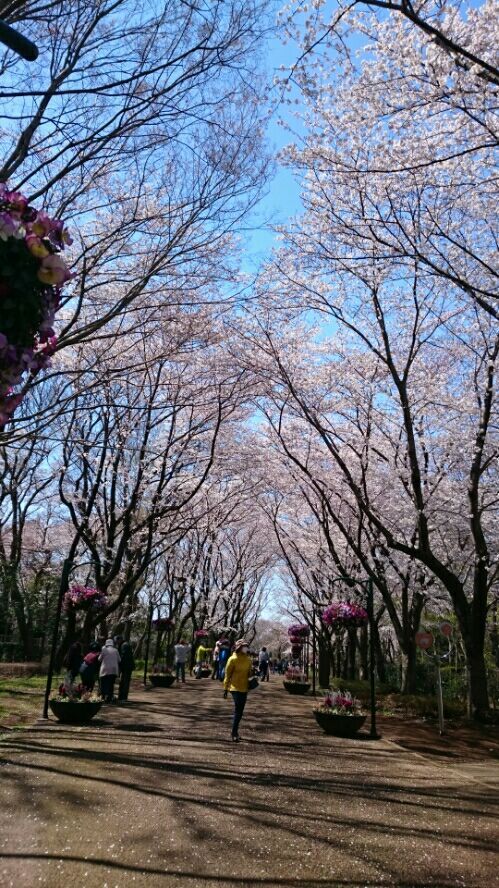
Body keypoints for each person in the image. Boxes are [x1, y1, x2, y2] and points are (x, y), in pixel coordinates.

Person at [223, 638, 253, 742]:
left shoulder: (248, 660)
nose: (246, 648)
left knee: (240, 711)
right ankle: (234, 733)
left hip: (244, 688)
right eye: (244, 646)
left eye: (247, 646)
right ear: (239, 647)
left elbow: (250, 673)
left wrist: (253, 674)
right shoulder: (232, 659)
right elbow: (227, 674)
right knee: (238, 709)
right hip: (234, 687)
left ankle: (235, 731)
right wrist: (225, 688)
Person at [98, 638, 120, 702]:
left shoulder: (104, 649)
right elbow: (119, 660)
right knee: (111, 684)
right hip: (113, 670)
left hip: (104, 670)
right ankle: (109, 698)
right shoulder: (116, 650)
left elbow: (99, 659)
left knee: (103, 684)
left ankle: (103, 697)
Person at [115, 636, 135, 701]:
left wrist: (119, 664)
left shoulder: (124, 645)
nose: (117, 643)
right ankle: (121, 696)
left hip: (127, 667)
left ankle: (123, 697)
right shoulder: (124, 645)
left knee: (125, 682)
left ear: (120, 639)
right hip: (126, 667)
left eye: (117, 641)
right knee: (123, 681)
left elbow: (123, 657)